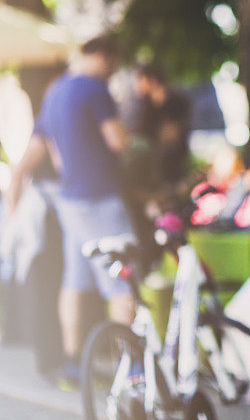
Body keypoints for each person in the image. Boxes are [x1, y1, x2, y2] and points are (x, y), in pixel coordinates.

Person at [6, 35, 135, 386]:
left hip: (69, 201)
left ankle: (74, 361)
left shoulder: (55, 92)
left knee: (75, 281)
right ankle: (134, 367)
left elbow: (30, 157)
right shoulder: (94, 88)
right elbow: (118, 141)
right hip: (99, 196)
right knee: (121, 282)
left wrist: (12, 210)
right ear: (104, 57)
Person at [132, 62, 191, 186]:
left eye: (140, 80)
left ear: (152, 80)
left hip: (172, 167)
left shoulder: (176, 102)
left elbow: (171, 137)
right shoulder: (144, 106)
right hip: (149, 169)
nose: (137, 85)